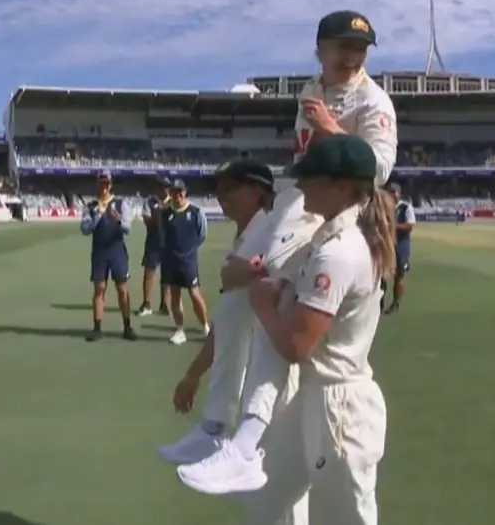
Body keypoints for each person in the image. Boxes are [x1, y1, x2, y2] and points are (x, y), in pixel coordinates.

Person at [176, 10, 397, 502]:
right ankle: (217, 424)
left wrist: (331, 127)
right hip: (300, 197)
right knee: (234, 288)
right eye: (340, 46)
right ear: (319, 47)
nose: (350, 56)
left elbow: (376, 171)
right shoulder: (308, 90)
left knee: (266, 301)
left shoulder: (372, 102)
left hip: (337, 209)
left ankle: (245, 442)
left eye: (358, 49)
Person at [196, 135, 394, 524]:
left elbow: (297, 344)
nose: (300, 187)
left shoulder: (340, 251)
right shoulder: (332, 238)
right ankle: (243, 450)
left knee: (346, 517)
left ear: (339, 187)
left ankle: (241, 448)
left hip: (339, 408)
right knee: (269, 502)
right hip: (312, 397)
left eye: (310, 179)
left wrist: (263, 304)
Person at [161, 159, 275, 464]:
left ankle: (216, 431)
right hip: (247, 391)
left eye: (230, 188)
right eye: (218, 189)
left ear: (256, 191)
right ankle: (213, 428)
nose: (221, 196)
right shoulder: (247, 236)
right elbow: (228, 321)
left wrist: (242, 271)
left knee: (277, 499)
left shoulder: (270, 232)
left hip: (268, 396)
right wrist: (192, 375)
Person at [80, 172, 137, 342]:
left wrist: (118, 220)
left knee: (122, 289)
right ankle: (97, 328)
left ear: (110, 185)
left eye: (107, 183)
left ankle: (127, 326)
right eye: (101, 183)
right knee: (99, 289)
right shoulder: (90, 206)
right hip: (99, 252)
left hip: (117, 251)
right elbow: (84, 229)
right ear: (97, 184)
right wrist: (97, 215)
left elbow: (128, 228)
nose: (104, 187)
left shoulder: (120, 204)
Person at [161, 179, 210, 346]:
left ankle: (205, 327)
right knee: (175, 296)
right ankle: (180, 330)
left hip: (188, 261)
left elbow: (202, 235)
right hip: (171, 261)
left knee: (195, 295)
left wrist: (190, 251)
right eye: (175, 191)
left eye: (181, 191)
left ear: (185, 192)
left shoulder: (196, 212)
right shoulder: (165, 213)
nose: (178, 194)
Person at [136, 181, 171, 317]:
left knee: (167, 276)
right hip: (153, 242)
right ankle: (147, 304)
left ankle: (165, 304)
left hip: (169, 243)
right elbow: (147, 221)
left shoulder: (173, 202)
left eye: (167, 187)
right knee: (149, 274)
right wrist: (159, 212)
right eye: (163, 187)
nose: (165, 190)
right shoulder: (149, 202)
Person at [382, 182, 414, 315]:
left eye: (394, 192)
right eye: (390, 191)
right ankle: (379, 303)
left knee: (399, 275)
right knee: (381, 275)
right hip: (384, 243)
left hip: (401, 245)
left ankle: (395, 303)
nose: (392, 194)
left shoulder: (405, 207)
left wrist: (393, 226)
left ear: (399, 194)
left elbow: (410, 225)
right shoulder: (382, 206)